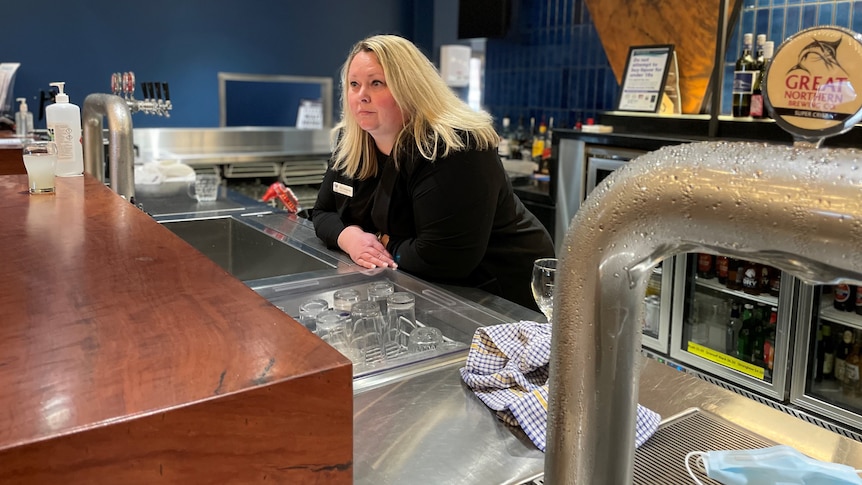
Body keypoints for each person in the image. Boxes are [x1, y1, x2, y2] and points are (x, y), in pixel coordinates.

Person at [312, 34, 554, 310]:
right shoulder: (352, 140)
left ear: (410, 88)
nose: (361, 96)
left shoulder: (454, 146)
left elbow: (443, 259)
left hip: (497, 297)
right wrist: (350, 238)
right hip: (419, 288)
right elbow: (321, 212)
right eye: (354, 85)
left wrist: (377, 241)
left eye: (376, 83)